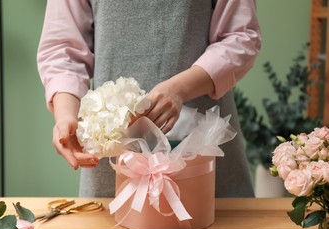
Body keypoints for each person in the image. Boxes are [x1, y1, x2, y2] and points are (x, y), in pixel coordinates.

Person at [37, 0, 262, 198]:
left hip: (203, 154)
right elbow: (62, 47)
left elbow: (240, 37)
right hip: (113, 165)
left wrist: (179, 89)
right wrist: (66, 115)